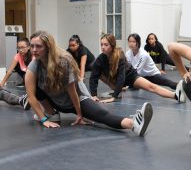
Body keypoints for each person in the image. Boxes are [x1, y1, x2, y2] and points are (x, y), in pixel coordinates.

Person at [25, 30, 153, 136]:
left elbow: (73, 91)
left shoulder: (64, 61)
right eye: (32, 46)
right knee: (33, 86)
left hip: (74, 99)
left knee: (101, 115)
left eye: (38, 46)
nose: (34, 50)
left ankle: (133, 124)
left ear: (48, 47)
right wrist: (43, 120)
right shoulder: (34, 65)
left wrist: (79, 114)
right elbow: (31, 95)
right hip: (54, 101)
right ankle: (51, 114)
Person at [89, 34, 185, 104]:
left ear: (112, 45)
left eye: (106, 45)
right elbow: (93, 77)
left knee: (151, 87)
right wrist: (93, 94)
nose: (103, 47)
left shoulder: (120, 54)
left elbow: (121, 76)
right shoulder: (101, 59)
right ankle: (115, 89)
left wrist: (114, 97)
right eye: (101, 44)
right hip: (116, 81)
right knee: (96, 70)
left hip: (131, 76)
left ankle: (176, 96)